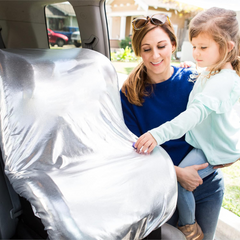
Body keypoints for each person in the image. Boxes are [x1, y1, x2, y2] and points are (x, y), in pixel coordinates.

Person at [132, 8, 240, 240]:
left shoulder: (214, 80)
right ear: (138, 52)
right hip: (165, 188)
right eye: (146, 49)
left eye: (161, 46)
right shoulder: (129, 96)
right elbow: (129, 153)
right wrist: (175, 173)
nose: (155, 55)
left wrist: (157, 134)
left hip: (208, 182)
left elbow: (195, 114)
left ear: (172, 44)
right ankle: (188, 226)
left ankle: (189, 227)